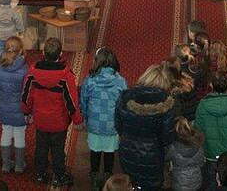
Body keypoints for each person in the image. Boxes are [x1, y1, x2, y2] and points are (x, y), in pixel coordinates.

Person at [22, 37, 81, 187]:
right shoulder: (66, 75)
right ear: (60, 54)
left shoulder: (33, 72)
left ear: (43, 53)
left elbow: (26, 94)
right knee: (58, 150)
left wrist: (26, 111)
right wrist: (77, 119)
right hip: (59, 122)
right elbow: (71, 101)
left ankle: (40, 173)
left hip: (40, 120)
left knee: (41, 147)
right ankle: (59, 175)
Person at [115, 62, 178, 190]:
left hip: (127, 150)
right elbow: (168, 138)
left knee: (130, 184)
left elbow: (118, 126)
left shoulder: (125, 97)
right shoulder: (168, 105)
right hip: (153, 156)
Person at [79, 47, 128, 190]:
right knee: (109, 152)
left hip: (95, 124)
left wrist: (86, 117)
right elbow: (124, 104)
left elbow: (83, 101)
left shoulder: (89, 81)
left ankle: (94, 176)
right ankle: (108, 176)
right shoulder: (120, 81)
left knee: (95, 152)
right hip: (112, 125)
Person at [196, 72, 227, 188]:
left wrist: (201, 149)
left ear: (211, 85)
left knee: (211, 181)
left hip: (210, 151)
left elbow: (198, 130)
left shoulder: (202, 105)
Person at [0, 36, 29, 173]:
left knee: (6, 133)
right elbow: (27, 92)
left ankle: (6, 164)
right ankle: (19, 165)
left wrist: (1, 100)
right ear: (20, 51)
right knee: (19, 135)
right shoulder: (25, 70)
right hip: (19, 109)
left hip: (3, 106)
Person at [167, 116, 205, 191]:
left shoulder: (173, 147)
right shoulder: (198, 144)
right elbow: (201, 163)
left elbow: (166, 157)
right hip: (196, 181)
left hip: (179, 182)